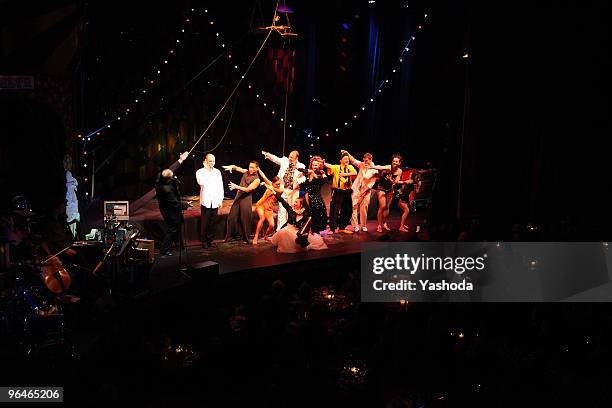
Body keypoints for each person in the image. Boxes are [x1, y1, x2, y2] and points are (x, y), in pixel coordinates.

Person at [268, 185, 327, 253]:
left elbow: (306, 226)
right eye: (294, 202)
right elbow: (283, 201)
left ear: (301, 205)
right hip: (288, 229)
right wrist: (274, 192)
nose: (294, 203)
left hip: (297, 232)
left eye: (296, 202)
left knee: (298, 241)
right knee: (283, 232)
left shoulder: (305, 214)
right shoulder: (291, 210)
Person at [261, 150, 306, 231]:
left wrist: (298, 181)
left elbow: (304, 177)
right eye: (289, 156)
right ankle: (280, 230)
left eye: (292, 157)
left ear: (296, 158)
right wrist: (267, 154)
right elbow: (275, 159)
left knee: (291, 210)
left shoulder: (301, 166)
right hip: (283, 189)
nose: (290, 158)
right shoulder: (285, 161)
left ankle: (291, 228)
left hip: (293, 191)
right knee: (282, 210)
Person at [222, 161, 261, 243]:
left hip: (246, 199)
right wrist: (232, 166)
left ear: (257, 168)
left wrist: (236, 187)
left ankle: (246, 238)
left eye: (252, 167)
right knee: (232, 217)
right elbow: (237, 168)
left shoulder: (257, 180)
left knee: (245, 218)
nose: (250, 169)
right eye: (250, 166)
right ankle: (228, 237)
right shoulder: (246, 172)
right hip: (239, 196)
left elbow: (247, 190)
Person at [341, 150, 378, 232]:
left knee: (364, 208)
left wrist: (364, 193)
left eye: (367, 160)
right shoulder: (361, 164)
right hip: (356, 189)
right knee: (353, 207)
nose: (365, 162)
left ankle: (363, 225)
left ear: (370, 160)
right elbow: (353, 160)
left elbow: (372, 182)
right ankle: (355, 226)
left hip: (366, 191)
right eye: (364, 160)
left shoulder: (374, 170)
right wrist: (347, 153)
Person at [369, 154, 406, 233]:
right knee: (382, 206)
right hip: (381, 188)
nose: (394, 162)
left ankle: (385, 223)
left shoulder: (399, 171)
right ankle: (379, 225)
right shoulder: (388, 167)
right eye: (393, 161)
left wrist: (390, 180)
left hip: (390, 189)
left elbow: (395, 182)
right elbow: (378, 167)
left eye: (396, 161)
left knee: (387, 207)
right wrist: (371, 166)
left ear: (399, 163)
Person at [195, 153, 224, 249]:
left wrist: (220, 199)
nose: (212, 163)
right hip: (206, 201)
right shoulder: (200, 172)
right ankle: (203, 241)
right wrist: (207, 170)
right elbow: (201, 182)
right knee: (205, 222)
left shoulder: (217, 172)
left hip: (215, 200)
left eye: (213, 161)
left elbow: (220, 186)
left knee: (213, 222)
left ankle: (210, 240)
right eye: (210, 161)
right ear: (206, 161)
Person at [324, 152, 357, 233]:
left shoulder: (350, 167)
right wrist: (323, 163)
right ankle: (332, 228)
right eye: (345, 159)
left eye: (348, 159)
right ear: (340, 160)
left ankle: (342, 227)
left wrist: (345, 174)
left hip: (347, 191)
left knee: (348, 210)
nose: (347, 160)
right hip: (338, 190)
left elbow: (355, 173)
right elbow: (328, 165)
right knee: (334, 210)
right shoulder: (336, 167)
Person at [155, 168, 183, 256]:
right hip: (169, 211)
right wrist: (185, 205)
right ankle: (164, 249)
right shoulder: (166, 189)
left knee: (177, 226)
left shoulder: (160, 180)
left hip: (166, 209)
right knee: (172, 229)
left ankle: (178, 244)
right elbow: (174, 202)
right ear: (168, 179)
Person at [253, 168, 283, 245]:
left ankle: (266, 236)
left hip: (269, 208)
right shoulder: (270, 186)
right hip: (261, 205)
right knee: (262, 218)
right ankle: (256, 236)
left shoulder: (280, 189)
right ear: (272, 183)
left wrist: (267, 185)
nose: (278, 185)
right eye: (277, 184)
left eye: (279, 184)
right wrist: (259, 169)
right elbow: (264, 177)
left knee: (272, 225)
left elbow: (277, 190)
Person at [301, 156, 328, 234]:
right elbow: (305, 185)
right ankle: (308, 232)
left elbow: (325, 181)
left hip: (316, 197)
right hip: (308, 196)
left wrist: (317, 174)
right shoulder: (308, 173)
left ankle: (316, 232)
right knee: (309, 214)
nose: (314, 166)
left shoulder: (321, 173)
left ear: (319, 166)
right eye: (313, 165)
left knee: (318, 214)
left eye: (316, 165)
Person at [63, 154, 80, 238]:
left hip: (72, 198)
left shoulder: (69, 174)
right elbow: (67, 185)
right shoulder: (66, 174)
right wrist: (72, 184)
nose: (69, 164)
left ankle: (73, 236)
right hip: (69, 199)